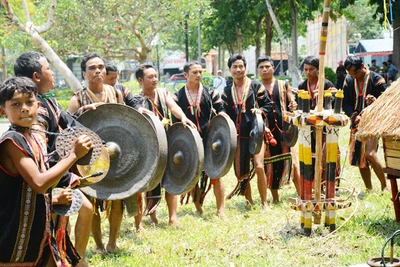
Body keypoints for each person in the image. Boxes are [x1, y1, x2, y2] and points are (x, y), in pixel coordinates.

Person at [0, 76, 92, 266]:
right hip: (14, 232)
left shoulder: (33, 135)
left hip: (39, 228)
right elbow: (39, 183)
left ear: (37, 106)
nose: (24, 108)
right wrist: (73, 155)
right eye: (15, 104)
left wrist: (54, 197)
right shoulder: (12, 141)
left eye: (29, 102)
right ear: (3, 111)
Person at [67, 52, 136, 253]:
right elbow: (67, 129)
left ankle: (112, 242)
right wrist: (81, 112)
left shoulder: (116, 93)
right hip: (89, 158)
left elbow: (126, 120)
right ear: (84, 73)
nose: (97, 71)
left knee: (117, 197)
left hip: (116, 150)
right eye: (92, 68)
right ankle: (97, 245)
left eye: (100, 67)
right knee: (92, 199)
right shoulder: (77, 98)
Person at [131, 64, 195, 230]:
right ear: (140, 80)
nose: (154, 80)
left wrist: (182, 118)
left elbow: (173, 107)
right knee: (151, 181)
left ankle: (173, 217)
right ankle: (152, 216)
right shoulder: (137, 101)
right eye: (150, 77)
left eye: (155, 76)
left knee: (171, 178)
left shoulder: (163, 92)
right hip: (149, 145)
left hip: (168, 141)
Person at [173, 61, 226, 217]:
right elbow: (175, 122)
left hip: (210, 140)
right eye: (194, 72)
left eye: (200, 72)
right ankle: (198, 206)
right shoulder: (178, 96)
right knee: (194, 175)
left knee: (217, 174)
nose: (198, 75)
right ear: (185, 75)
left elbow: (221, 112)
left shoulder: (211, 93)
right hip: (190, 142)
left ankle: (221, 209)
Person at [221, 54, 272, 210]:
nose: (238, 70)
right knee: (240, 171)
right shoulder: (227, 90)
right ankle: (249, 201)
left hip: (256, 133)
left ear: (245, 68)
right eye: (235, 67)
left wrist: (260, 110)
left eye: (241, 66)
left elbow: (268, 105)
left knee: (259, 166)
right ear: (230, 70)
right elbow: (223, 109)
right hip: (237, 136)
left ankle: (264, 203)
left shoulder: (256, 86)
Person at [256, 56, 300, 203]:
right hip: (266, 131)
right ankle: (275, 198)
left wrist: (293, 103)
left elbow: (291, 99)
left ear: (273, 68)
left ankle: (302, 196)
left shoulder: (283, 84)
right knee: (270, 164)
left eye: (267, 66)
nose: (265, 69)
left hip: (285, 130)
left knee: (293, 164)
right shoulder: (256, 88)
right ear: (258, 70)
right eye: (261, 67)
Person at [343, 55, 387, 191]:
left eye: (355, 73)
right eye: (351, 74)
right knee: (360, 159)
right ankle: (369, 188)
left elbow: (386, 102)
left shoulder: (377, 80)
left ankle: (384, 186)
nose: (354, 76)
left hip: (373, 124)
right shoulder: (349, 81)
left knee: (370, 153)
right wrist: (353, 115)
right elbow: (346, 103)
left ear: (363, 66)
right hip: (356, 125)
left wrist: (375, 102)